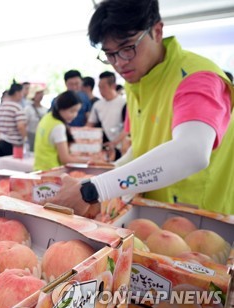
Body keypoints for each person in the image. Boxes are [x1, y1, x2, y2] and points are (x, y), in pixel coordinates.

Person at [50, 0, 233, 216]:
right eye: (109, 54)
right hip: (151, 214)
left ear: (157, 31)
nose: (119, 63)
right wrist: (106, 172)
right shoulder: (136, 82)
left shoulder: (197, 78)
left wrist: (94, 189)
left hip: (203, 221)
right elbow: (140, 148)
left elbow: (192, 152)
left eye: (127, 48)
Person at [34, 91, 87, 171]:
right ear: (61, 108)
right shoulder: (58, 126)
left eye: (77, 111)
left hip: (39, 169)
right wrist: (88, 161)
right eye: (72, 111)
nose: (75, 115)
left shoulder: (47, 117)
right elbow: (65, 159)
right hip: (52, 173)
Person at [85, 71, 126, 159]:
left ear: (113, 86)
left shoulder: (124, 103)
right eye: (99, 87)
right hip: (104, 147)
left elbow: (127, 128)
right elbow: (90, 124)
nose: (100, 91)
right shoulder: (97, 105)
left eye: (103, 87)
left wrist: (114, 143)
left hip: (121, 146)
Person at [0, 82, 27, 157]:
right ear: (17, 93)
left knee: (3, 165)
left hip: (1, 142)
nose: (22, 96)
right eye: (22, 93)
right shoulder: (17, 107)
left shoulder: (2, 106)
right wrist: (25, 139)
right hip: (13, 144)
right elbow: (21, 126)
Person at [24, 84, 48, 151]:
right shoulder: (28, 109)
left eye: (41, 93)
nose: (40, 95)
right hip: (31, 136)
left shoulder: (45, 109)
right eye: (38, 93)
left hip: (43, 136)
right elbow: (24, 124)